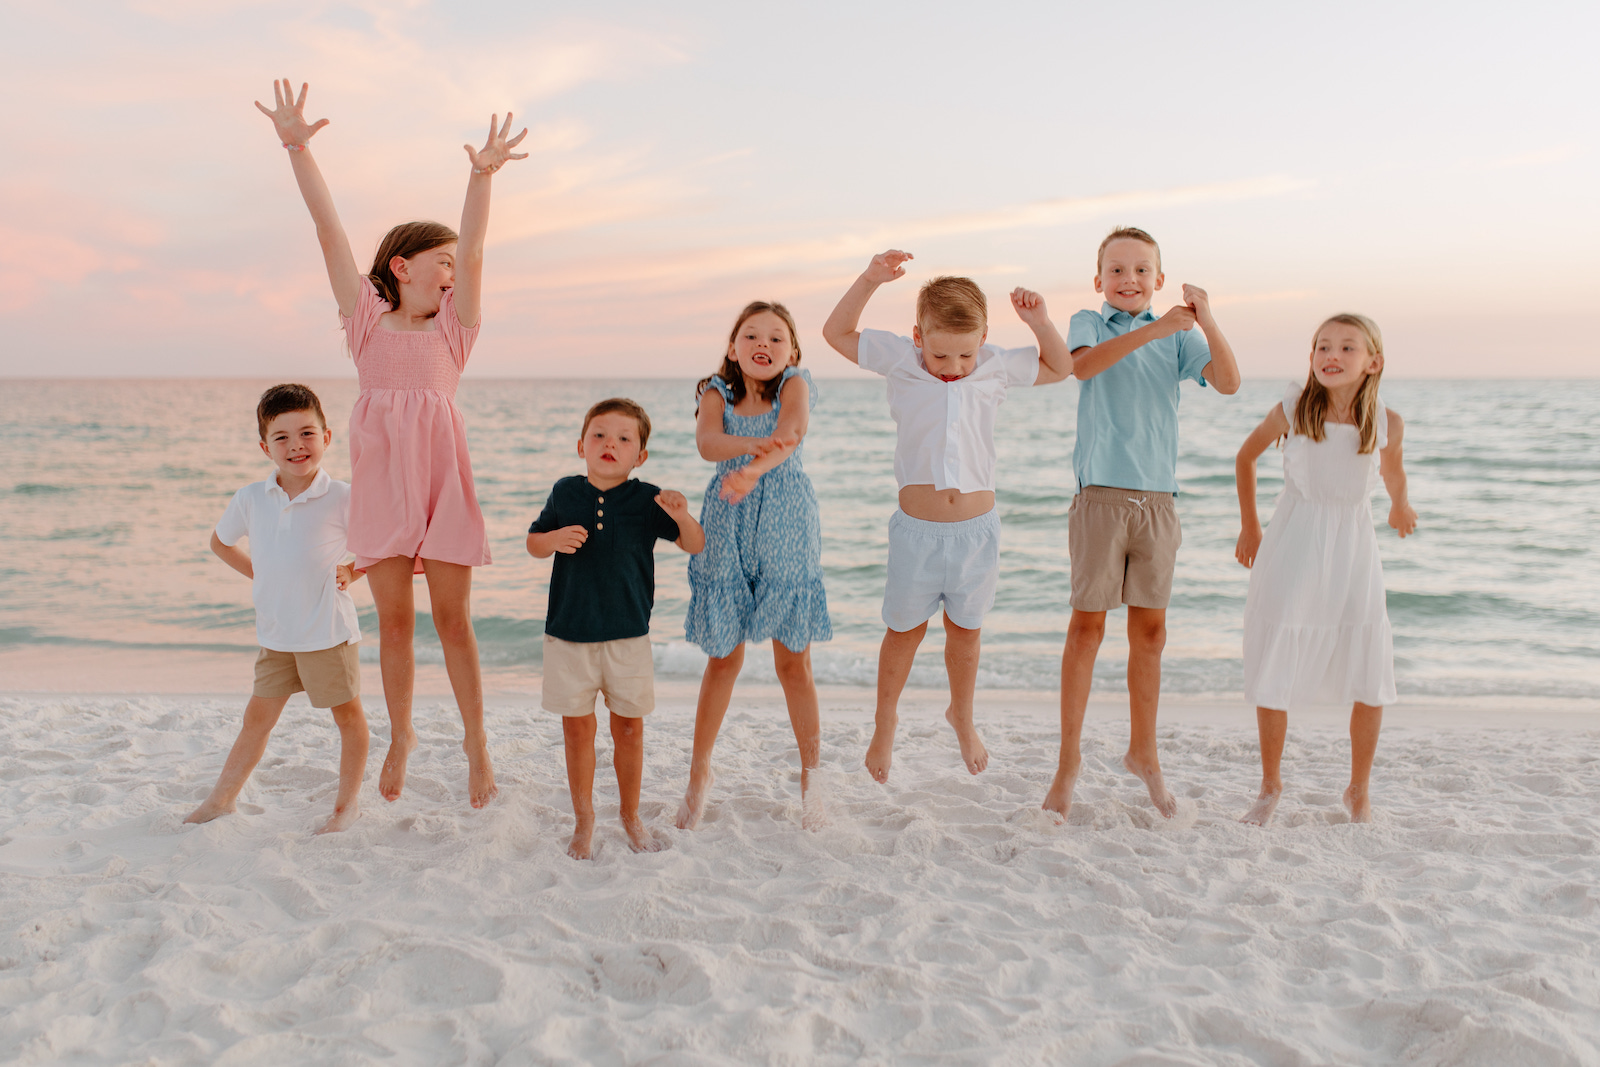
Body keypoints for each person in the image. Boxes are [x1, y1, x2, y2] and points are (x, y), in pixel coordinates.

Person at [255, 79, 526, 808]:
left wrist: (481, 175)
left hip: (440, 484)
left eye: (452, 262)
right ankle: (403, 732)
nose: (450, 268)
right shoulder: (366, 324)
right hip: (382, 489)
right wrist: (298, 148)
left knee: (452, 620)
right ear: (401, 268)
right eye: (436, 260)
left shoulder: (453, 330)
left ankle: (476, 741)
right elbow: (330, 234)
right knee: (397, 626)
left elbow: (473, 257)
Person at [822, 251, 1072, 783]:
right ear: (918, 336)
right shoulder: (899, 360)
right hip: (917, 534)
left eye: (964, 355)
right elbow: (837, 332)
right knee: (904, 632)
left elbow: (1061, 366)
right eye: (940, 356)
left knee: (966, 632)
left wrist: (1040, 322)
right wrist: (870, 280)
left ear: (983, 339)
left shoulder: (997, 366)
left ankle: (962, 714)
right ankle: (884, 720)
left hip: (977, 534)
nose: (953, 368)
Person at [1042, 227, 1241, 821]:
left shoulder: (1178, 340)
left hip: (1158, 502)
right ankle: (1068, 762)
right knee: (1087, 630)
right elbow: (1084, 370)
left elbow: (1229, 382)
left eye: (1140, 271)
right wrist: (1156, 327)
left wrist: (1206, 319)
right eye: (1116, 270)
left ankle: (1143, 753)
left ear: (1159, 278)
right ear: (1099, 279)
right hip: (1100, 496)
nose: (1128, 280)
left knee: (1150, 635)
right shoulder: (1088, 323)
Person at [1235, 314, 1416, 825]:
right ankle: (1270, 785)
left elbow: (1393, 472)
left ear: (1373, 362)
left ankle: (1359, 789)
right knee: (1276, 660)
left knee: (1369, 669)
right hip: (1294, 543)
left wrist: (1400, 505)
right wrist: (1250, 527)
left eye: (1346, 348)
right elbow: (1245, 458)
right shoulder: (1294, 408)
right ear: (1311, 358)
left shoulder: (1386, 421)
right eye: (1322, 347)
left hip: (1354, 549)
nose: (1331, 355)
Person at [676, 302, 832, 830]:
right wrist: (748, 451)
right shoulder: (714, 393)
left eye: (776, 337)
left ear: (792, 351)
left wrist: (753, 469)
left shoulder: (796, 384)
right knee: (724, 656)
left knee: (794, 662)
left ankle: (813, 778)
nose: (762, 343)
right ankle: (699, 773)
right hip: (726, 517)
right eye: (750, 335)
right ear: (732, 347)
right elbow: (707, 443)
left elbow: (791, 435)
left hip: (785, 517)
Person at [185, 384, 368, 834]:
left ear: (327, 437)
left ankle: (346, 807)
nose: (296, 446)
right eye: (282, 437)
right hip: (275, 635)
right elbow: (219, 543)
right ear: (266, 447)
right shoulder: (251, 498)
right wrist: (260, 576)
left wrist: (352, 572)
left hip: (326, 632)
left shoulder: (343, 496)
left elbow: (381, 547)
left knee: (348, 719)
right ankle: (221, 799)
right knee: (257, 719)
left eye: (307, 433)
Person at [527, 399, 705, 859]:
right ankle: (584, 819)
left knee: (629, 730)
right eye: (600, 435)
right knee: (577, 730)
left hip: (628, 636)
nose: (611, 444)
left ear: (640, 456)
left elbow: (695, 544)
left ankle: (629, 815)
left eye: (625, 439)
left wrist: (682, 514)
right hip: (568, 634)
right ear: (581, 445)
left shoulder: (647, 500)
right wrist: (553, 540)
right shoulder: (565, 492)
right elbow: (533, 541)